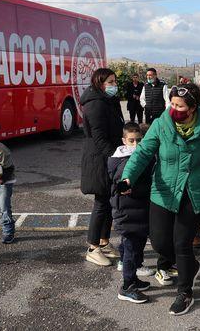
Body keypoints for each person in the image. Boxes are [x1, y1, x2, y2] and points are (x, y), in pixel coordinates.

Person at [120, 84, 200, 316]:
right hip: (164, 191)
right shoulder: (161, 123)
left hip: (194, 192)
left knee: (182, 243)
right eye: (172, 103)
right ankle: (190, 266)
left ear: (192, 108)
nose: (174, 109)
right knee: (160, 242)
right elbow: (143, 153)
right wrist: (127, 177)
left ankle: (185, 292)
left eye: (179, 105)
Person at [81, 68, 124, 266]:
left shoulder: (108, 101)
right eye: (110, 81)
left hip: (108, 157)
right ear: (99, 82)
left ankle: (104, 242)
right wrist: (117, 158)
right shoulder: (95, 104)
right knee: (101, 203)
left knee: (107, 201)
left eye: (115, 81)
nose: (114, 85)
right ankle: (92, 247)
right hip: (100, 160)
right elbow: (99, 138)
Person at [108, 122, 153, 303]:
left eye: (139, 140)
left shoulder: (138, 157)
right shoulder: (123, 161)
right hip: (128, 215)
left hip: (137, 213)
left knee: (136, 249)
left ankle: (133, 278)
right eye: (131, 141)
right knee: (130, 251)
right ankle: (127, 286)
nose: (135, 145)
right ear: (124, 141)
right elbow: (124, 183)